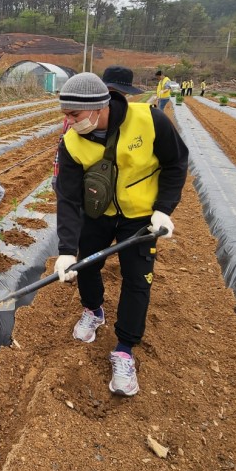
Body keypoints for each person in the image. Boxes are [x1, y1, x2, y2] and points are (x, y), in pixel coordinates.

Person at [53, 72, 188, 397]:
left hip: (140, 216)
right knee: (85, 264)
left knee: (137, 277)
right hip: (98, 213)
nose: (69, 122)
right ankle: (93, 310)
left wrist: (163, 209)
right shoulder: (71, 141)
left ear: (99, 108)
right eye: (65, 115)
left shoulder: (149, 120)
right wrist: (67, 249)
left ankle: (125, 348)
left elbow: (176, 162)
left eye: (75, 115)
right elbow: (68, 197)